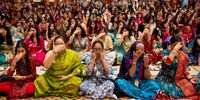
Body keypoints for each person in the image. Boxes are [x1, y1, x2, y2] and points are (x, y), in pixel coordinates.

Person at [156, 35, 200, 99]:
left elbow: (185, 70)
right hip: (166, 79)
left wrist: (190, 79)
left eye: (178, 45)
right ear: (170, 44)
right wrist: (175, 50)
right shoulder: (165, 52)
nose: (176, 47)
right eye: (174, 45)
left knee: (193, 87)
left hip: (179, 79)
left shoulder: (182, 55)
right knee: (171, 91)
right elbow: (168, 62)